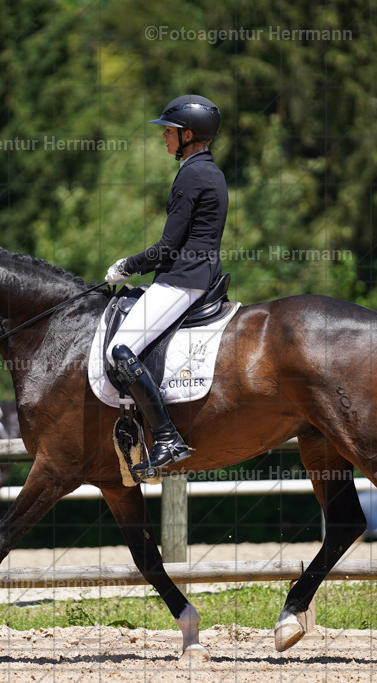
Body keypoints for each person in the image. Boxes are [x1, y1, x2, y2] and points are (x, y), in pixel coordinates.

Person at [104, 94, 228, 473]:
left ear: (188, 135)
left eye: (169, 131)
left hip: (183, 278)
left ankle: (167, 437)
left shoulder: (193, 175)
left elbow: (166, 247)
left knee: (120, 350)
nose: (164, 137)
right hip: (195, 273)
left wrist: (127, 266)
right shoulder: (207, 170)